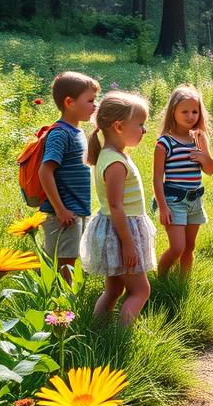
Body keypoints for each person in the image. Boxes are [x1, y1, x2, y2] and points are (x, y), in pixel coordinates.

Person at [81, 91, 156, 325]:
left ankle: (98, 330)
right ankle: (122, 337)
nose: (144, 130)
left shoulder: (112, 155)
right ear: (119, 126)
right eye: (140, 124)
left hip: (116, 229)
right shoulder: (115, 162)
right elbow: (115, 205)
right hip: (122, 232)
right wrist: (128, 243)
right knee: (140, 291)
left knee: (113, 290)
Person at [38, 71, 99, 282]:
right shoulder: (60, 133)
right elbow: (45, 171)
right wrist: (60, 209)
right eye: (90, 101)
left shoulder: (78, 132)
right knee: (65, 262)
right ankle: (62, 307)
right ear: (69, 102)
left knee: (70, 258)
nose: (95, 105)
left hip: (76, 209)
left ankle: (61, 301)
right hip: (62, 212)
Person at [153, 85, 213, 277]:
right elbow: (157, 178)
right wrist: (162, 207)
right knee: (177, 248)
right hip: (174, 201)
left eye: (195, 111)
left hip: (195, 200)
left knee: (189, 247)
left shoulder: (199, 139)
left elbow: (211, 170)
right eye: (185, 111)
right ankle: (161, 279)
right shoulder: (165, 142)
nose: (191, 116)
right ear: (173, 112)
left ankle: (182, 284)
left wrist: (204, 158)